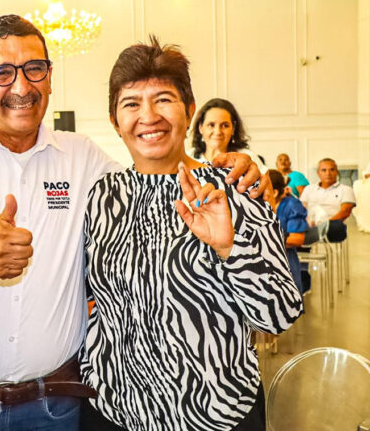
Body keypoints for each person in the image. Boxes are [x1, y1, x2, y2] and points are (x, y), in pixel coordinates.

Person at [0, 14, 268, 431]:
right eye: (2, 73)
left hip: (59, 403)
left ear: (50, 77)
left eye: (34, 69)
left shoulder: (82, 157)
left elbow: (154, 173)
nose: (21, 87)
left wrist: (230, 170)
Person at [81, 37, 303, 431]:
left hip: (216, 413)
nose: (148, 116)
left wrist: (231, 249)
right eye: (131, 104)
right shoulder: (102, 195)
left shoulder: (235, 187)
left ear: (189, 111)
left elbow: (279, 314)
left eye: (163, 99)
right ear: (115, 122)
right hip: (115, 411)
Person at [191, 98, 268, 172]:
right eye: (211, 125)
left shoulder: (249, 158)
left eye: (225, 125)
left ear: (233, 129)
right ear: (200, 128)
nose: (218, 132)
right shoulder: (189, 157)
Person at [267, 170, 309, 294]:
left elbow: (297, 239)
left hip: (285, 261)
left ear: (274, 192)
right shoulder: (259, 207)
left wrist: (267, 241)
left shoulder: (292, 205)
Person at [300, 158, 356, 244]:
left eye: (332, 170)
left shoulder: (346, 189)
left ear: (337, 172)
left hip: (333, 226)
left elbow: (345, 212)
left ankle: (305, 237)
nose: (328, 173)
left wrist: (325, 224)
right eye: (324, 170)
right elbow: (301, 208)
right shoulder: (309, 189)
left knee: (337, 226)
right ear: (318, 173)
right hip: (310, 225)